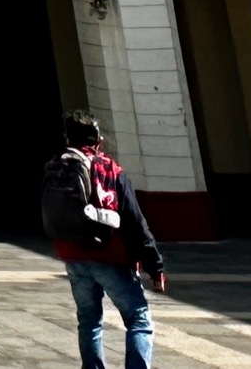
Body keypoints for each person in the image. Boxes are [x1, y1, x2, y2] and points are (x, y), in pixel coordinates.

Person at [46, 111, 167, 369]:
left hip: (72, 254)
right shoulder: (108, 168)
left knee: (89, 319)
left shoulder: (59, 164)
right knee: (138, 318)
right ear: (98, 139)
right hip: (108, 254)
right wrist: (154, 265)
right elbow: (134, 220)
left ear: (68, 137)